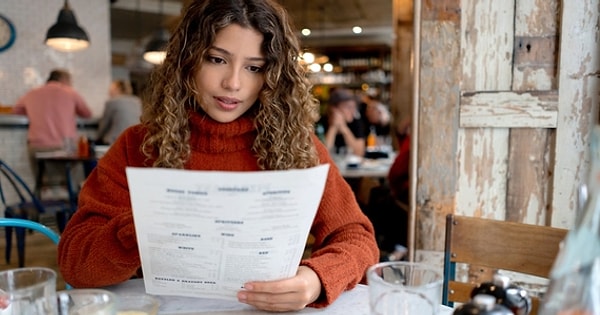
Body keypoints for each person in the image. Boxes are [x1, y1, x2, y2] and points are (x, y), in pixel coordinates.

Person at [57, 0, 379, 312]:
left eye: (254, 67)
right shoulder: (139, 145)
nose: (233, 83)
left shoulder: (298, 146)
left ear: (273, 77)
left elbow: (357, 238)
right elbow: (76, 264)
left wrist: (315, 279)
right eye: (216, 59)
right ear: (187, 60)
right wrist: (144, 224)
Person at [13, 69, 92, 191]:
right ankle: (73, 200)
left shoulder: (31, 93)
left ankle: (43, 199)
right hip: (64, 148)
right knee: (73, 181)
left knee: (42, 182)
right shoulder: (70, 92)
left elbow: (16, 111)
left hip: (37, 147)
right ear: (64, 80)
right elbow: (87, 114)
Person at [321, 88, 366, 157]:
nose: (352, 111)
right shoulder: (321, 123)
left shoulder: (356, 122)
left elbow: (359, 153)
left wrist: (343, 128)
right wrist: (333, 127)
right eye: (348, 107)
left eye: (354, 107)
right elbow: (322, 154)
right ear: (333, 109)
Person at [95, 80, 142, 145]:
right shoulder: (137, 101)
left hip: (116, 141)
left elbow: (103, 126)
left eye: (111, 89)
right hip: (135, 140)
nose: (109, 92)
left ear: (117, 89)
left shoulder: (112, 102)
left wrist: (96, 139)